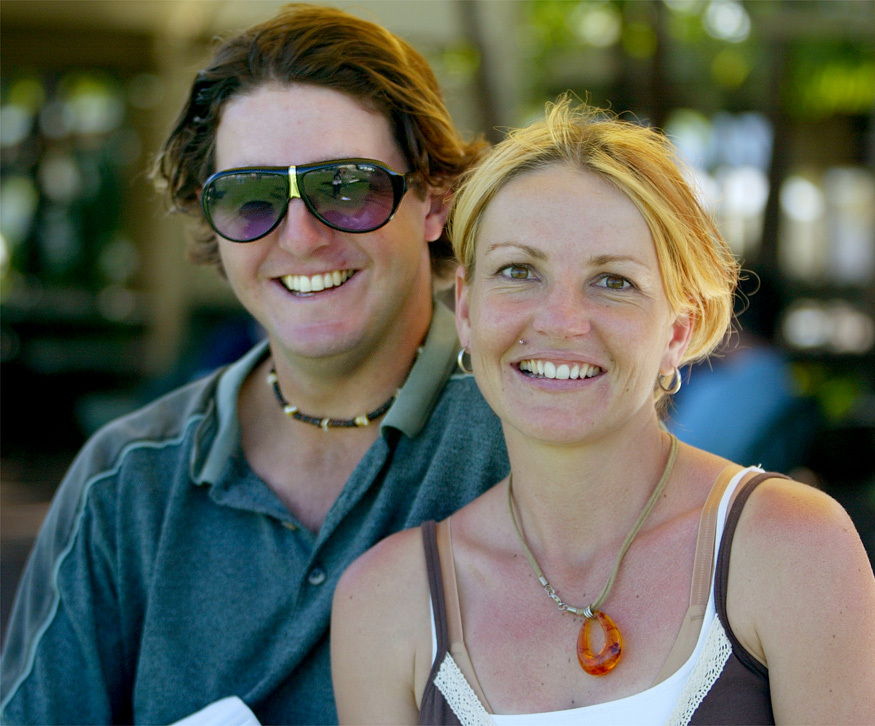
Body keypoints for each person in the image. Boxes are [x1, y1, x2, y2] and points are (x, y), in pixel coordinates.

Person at [0, 5, 509, 724]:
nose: (299, 238)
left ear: (433, 199)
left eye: (345, 187)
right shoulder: (127, 483)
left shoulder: (533, 437)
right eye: (249, 197)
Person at [330, 97, 875, 724]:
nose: (562, 321)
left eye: (613, 280)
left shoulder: (791, 549)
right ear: (470, 311)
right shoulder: (386, 604)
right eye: (518, 270)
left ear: (677, 330)